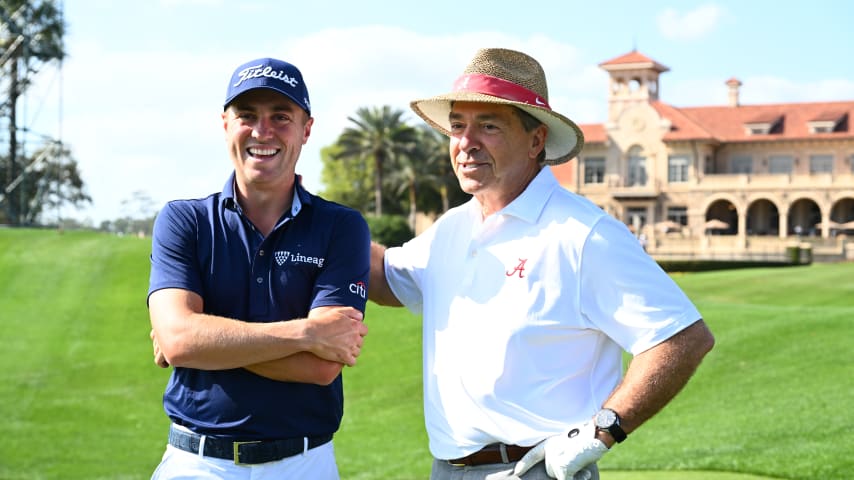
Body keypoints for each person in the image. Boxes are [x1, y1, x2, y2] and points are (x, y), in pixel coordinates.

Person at [368, 48, 715, 480]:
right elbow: (384, 280)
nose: (465, 143)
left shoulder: (583, 234)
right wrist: (316, 219)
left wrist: (601, 431)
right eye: (457, 127)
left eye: (488, 126)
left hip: (535, 469)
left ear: (536, 141)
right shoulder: (452, 227)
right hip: (447, 468)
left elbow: (682, 337)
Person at [147, 57, 370, 479]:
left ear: (306, 129)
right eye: (247, 115)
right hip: (196, 463)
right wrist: (306, 333)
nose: (262, 131)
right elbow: (179, 342)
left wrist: (204, 341)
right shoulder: (185, 220)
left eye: (281, 117)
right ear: (225, 124)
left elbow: (322, 367)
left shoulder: (341, 226)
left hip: (305, 464)